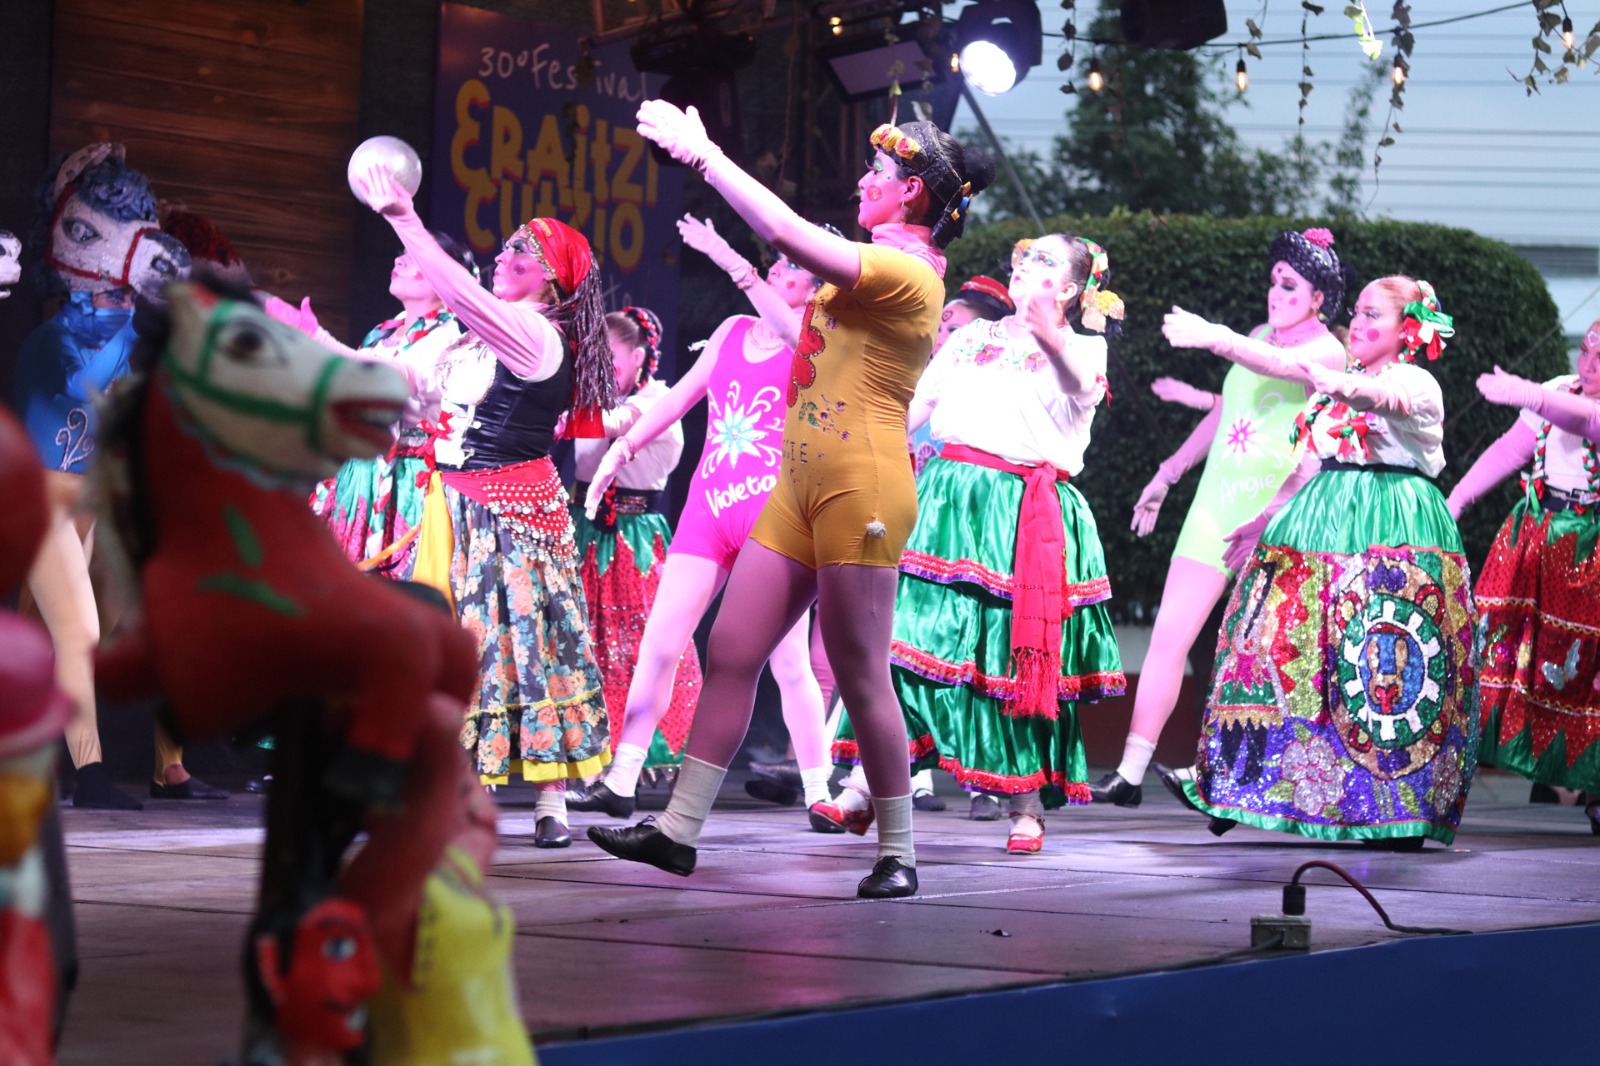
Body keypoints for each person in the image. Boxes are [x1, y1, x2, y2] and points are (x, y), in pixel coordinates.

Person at [589, 103, 993, 899]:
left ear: (911, 192)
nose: (862, 181)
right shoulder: (869, 261)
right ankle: (676, 831)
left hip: (861, 488)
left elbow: (783, 231)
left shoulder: (910, 273)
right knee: (733, 649)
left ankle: (899, 852)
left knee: (859, 671)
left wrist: (705, 156)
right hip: (798, 484)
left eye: (877, 173)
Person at [815, 234, 1127, 854]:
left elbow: (1077, 385)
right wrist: (852, 449)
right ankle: (864, 788)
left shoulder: (1084, 348)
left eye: (1044, 262)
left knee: (1008, 660)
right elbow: (916, 406)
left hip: (1021, 513)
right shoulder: (970, 338)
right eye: (1024, 257)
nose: (1026, 266)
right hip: (946, 501)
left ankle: (1025, 806)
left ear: (1070, 289)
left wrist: (1047, 337)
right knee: (902, 644)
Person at [353, 164, 614, 850]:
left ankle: (551, 801)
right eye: (504, 247)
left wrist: (404, 219)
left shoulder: (537, 335)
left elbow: (462, 295)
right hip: (452, 503)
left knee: (527, 644)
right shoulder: (472, 338)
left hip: (509, 510)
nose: (502, 256)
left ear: (551, 278)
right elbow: (405, 374)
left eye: (520, 252)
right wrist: (312, 344)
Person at [1169, 277, 1478, 846]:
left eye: (1373, 314)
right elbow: (1306, 461)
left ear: (1408, 327)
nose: (1358, 323)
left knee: (1379, 659)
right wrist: (1263, 520)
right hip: (1318, 516)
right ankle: (1244, 784)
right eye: (1356, 312)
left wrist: (1337, 382)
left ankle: (1396, 809)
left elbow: (1384, 400)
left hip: (1394, 523)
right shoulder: (1337, 386)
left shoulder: (1416, 382)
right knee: (1276, 642)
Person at [574, 216, 833, 820]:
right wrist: (621, 449)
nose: (779, 267)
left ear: (820, 286)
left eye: (795, 265)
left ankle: (819, 790)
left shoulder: (818, 337)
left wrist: (729, 259)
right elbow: (680, 395)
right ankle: (622, 778)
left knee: (788, 661)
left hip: (776, 515)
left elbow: (788, 330)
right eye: (778, 260)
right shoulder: (733, 330)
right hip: (709, 509)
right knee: (661, 642)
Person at [1092, 229, 1350, 808]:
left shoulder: (1329, 353)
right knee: (1169, 635)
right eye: (1273, 282)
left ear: (1318, 299)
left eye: (1290, 285)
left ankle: (1259, 782)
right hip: (1215, 507)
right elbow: (1224, 414)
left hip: (1278, 516)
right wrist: (1167, 474)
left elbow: (1280, 365)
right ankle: (1130, 772)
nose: (1275, 293)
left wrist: (1218, 339)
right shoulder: (1255, 336)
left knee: (1268, 655)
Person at [1448, 321, 1600, 835]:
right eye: (1586, 352)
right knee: (1498, 648)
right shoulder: (1559, 389)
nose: (1588, 365)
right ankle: (1461, 763)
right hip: (1534, 536)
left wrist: (1530, 393)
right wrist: (1457, 500)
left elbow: (1588, 421)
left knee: (1583, 667)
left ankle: (1595, 785)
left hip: (1589, 546)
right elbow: (1511, 451)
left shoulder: (1558, 399)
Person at [568, 306, 703, 785]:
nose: (600, 366)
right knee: (584, 642)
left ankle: (645, 755)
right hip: (585, 530)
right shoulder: (592, 400)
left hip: (635, 537)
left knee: (640, 644)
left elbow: (611, 423)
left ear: (639, 357)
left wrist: (553, 411)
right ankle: (588, 753)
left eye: (609, 357)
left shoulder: (656, 401)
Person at [303, 237, 475, 584]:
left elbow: (396, 377)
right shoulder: (383, 334)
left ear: (443, 279)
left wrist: (318, 338)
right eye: (400, 254)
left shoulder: (447, 340)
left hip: (404, 480)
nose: (398, 261)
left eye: (412, 257)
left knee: (388, 583)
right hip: (359, 471)